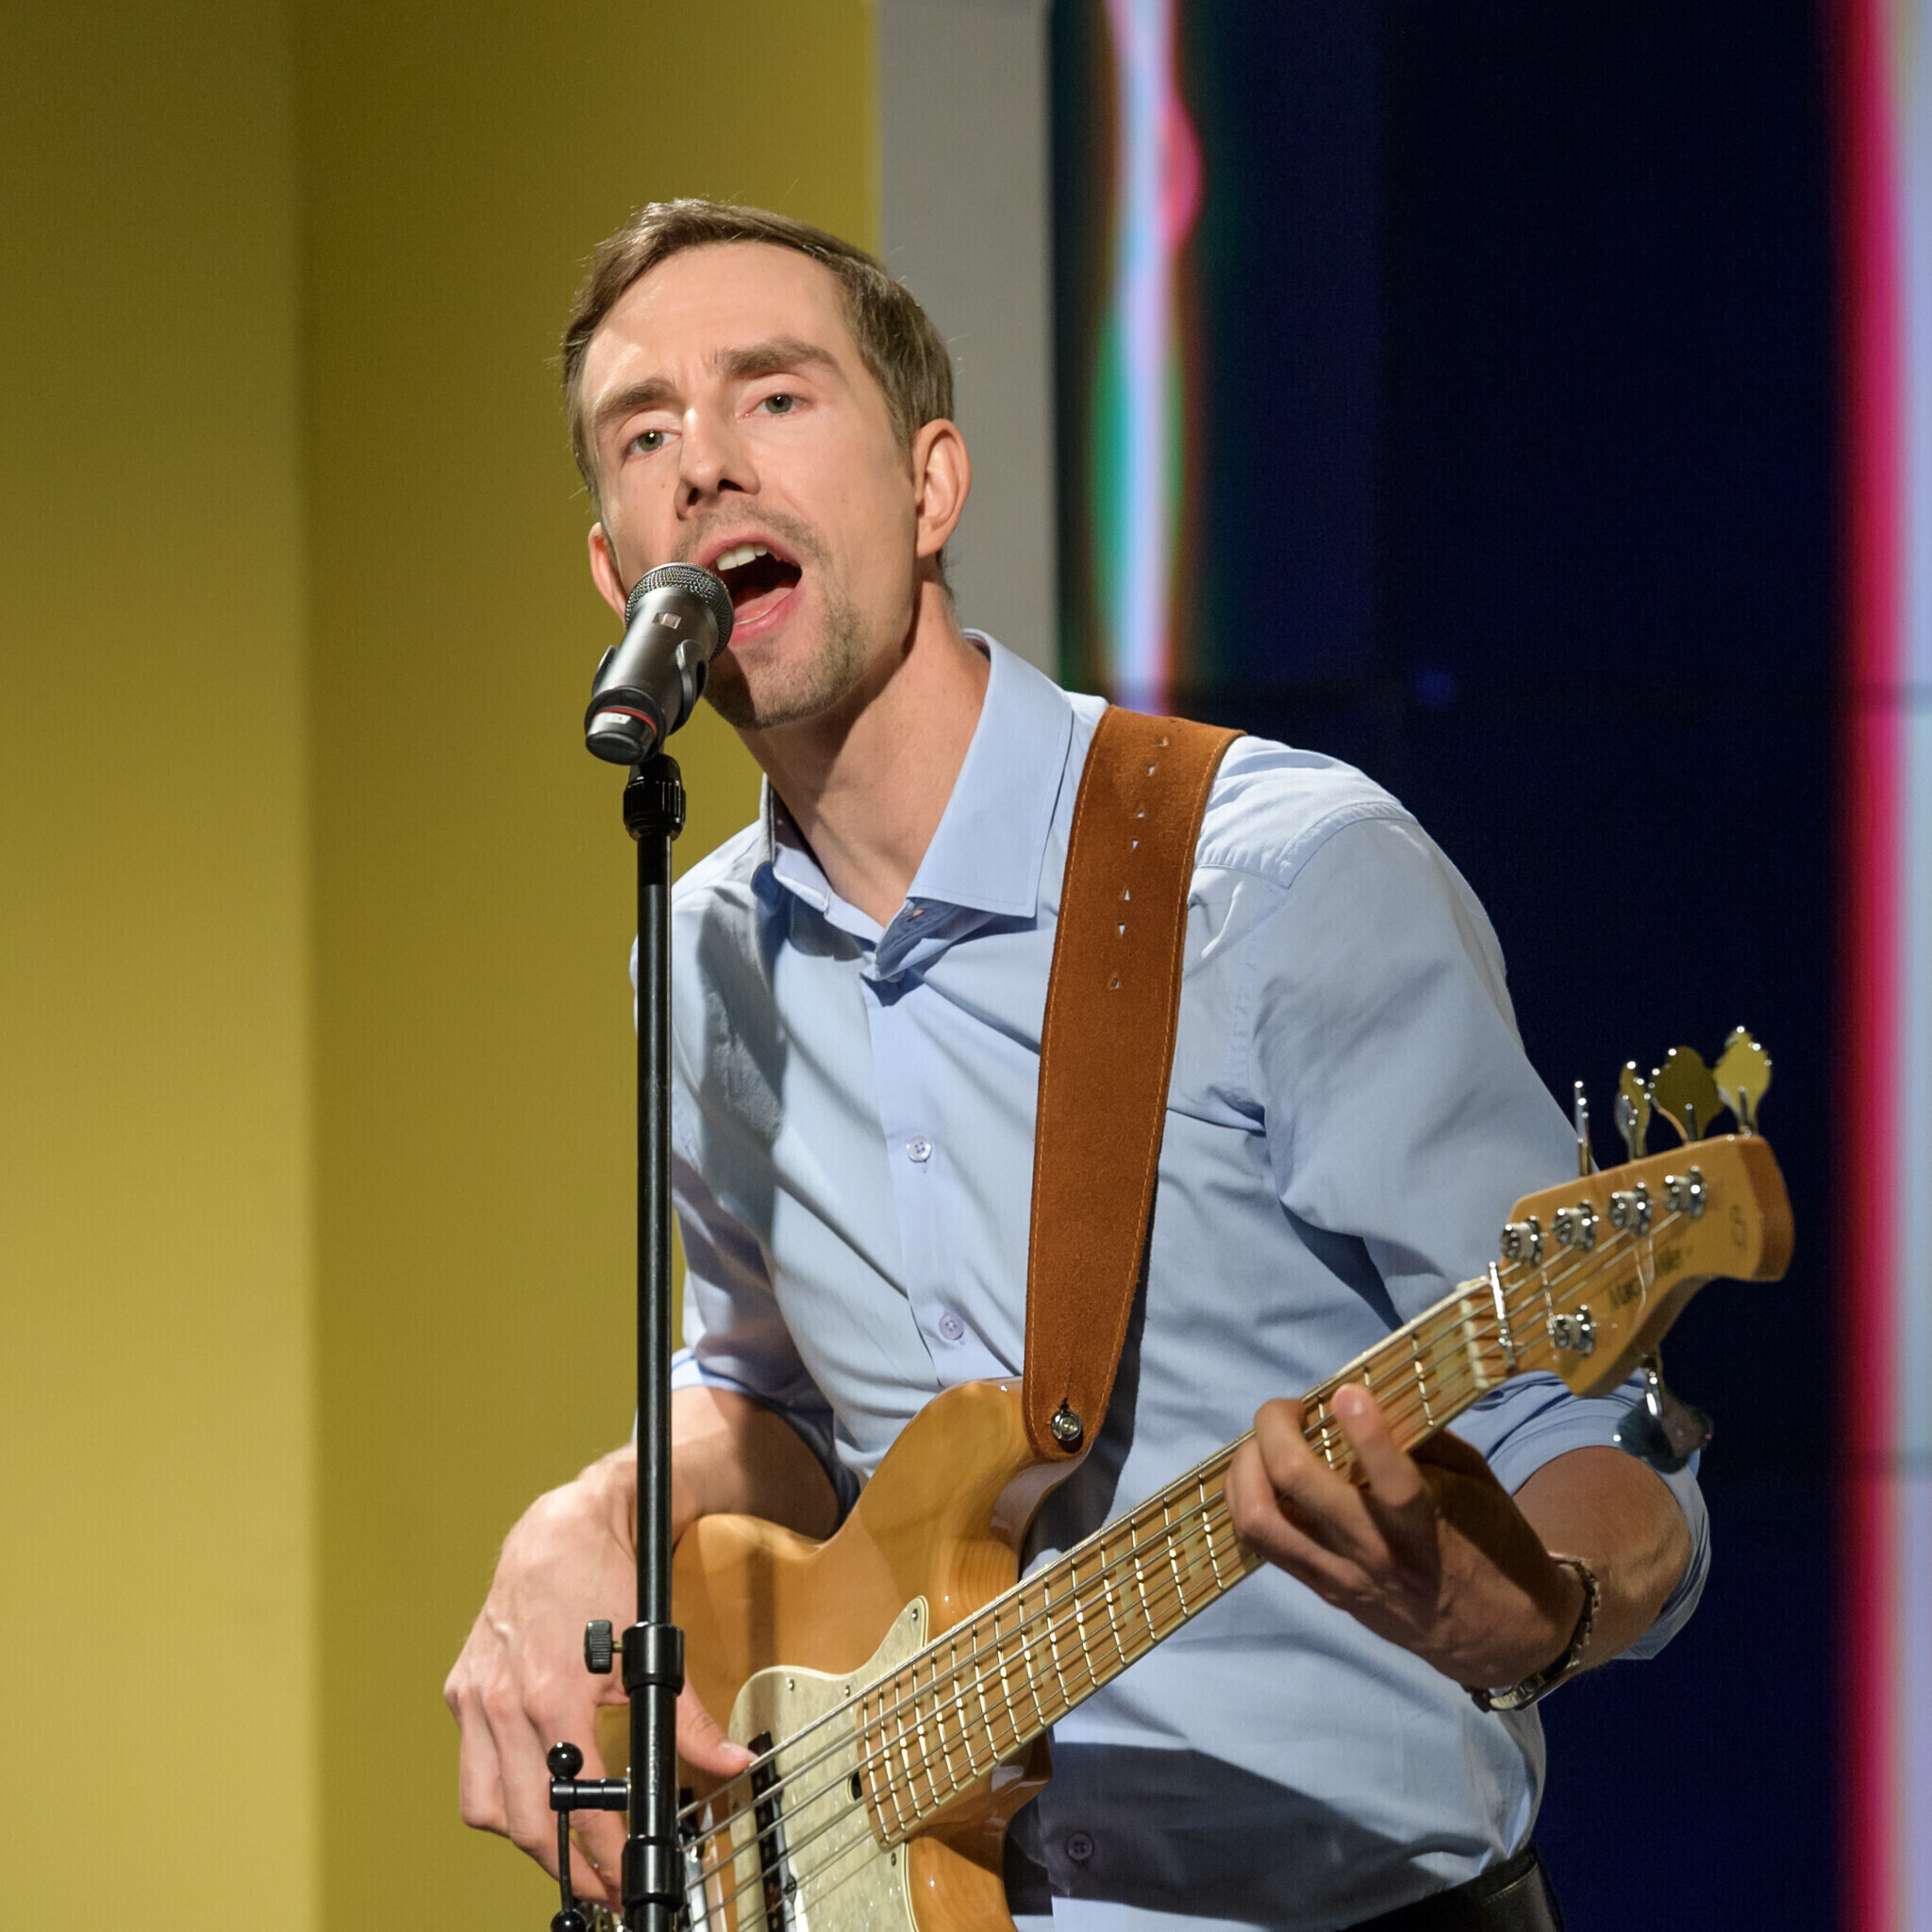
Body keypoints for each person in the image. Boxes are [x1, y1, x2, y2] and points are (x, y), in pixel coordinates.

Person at [444, 201, 1706, 1930]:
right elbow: (769, 1395)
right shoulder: (704, 951)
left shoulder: (1279, 880)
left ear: (932, 486)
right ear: (615, 574)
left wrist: (1532, 1614)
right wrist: (584, 1521)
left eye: (777, 396)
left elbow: (1588, 1427)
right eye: (644, 431)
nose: (708, 462)